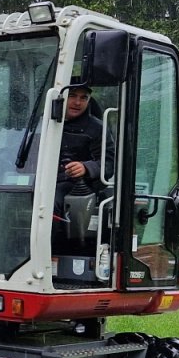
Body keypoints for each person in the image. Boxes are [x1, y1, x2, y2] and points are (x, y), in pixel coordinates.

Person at [54, 81, 116, 246]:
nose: (77, 102)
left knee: (49, 201)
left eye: (84, 97)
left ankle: (45, 250)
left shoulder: (97, 128)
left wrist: (86, 167)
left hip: (73, 186)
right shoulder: (45, 122)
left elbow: (109, 163)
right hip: (37, 180)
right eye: (72, 96)